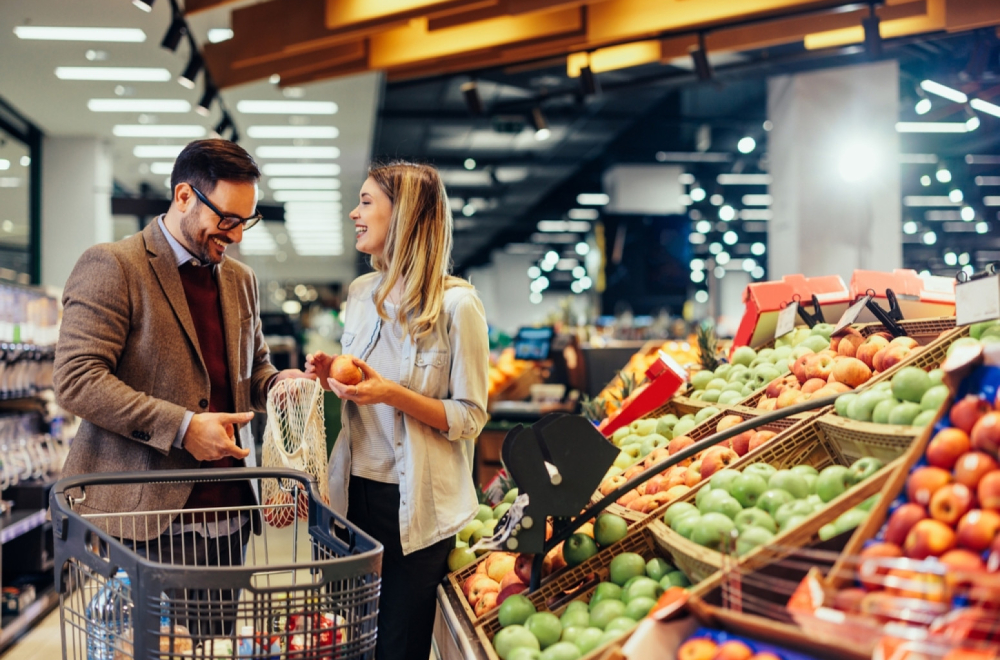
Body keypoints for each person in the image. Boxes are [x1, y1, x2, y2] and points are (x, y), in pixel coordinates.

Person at [54, 138, 313, 635]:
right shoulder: (115, 265)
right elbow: (75, 379)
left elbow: (251, 370)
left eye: (246, 221)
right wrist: (183, 427)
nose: (236, 235)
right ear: (184, 196)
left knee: (211, 647)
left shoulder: (240, 280)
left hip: (228, 517)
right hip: (145, 521)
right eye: (228, 219)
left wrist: (281, 383)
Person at [306, 161, 489, 660]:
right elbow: (361, 382)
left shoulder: (457, 306)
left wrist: (391, 394)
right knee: (355, 642)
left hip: (418, 504)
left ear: (404, 213)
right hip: (354, 492)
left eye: (366, 202)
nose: (354, 213)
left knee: (399, 648)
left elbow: (470, 416)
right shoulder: (361, 295)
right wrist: (330, 374)